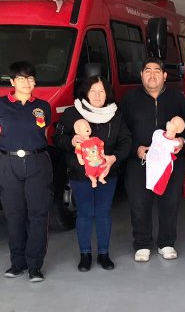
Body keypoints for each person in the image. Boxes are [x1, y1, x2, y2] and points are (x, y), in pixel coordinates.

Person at [54, 76, 131, 272]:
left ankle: (104, 254)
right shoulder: (72, 113)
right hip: (80, 174)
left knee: (104, 212)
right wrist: (71, 141)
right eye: (93, 91)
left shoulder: (116, 115)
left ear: (107, 94)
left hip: (107, 173)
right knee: (85, 213)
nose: (97, 95)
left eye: (101, 91)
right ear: (85, 93)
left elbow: (126, 142)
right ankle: (85, 254)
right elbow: (57, 138)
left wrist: (113, 159)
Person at [121, 58, 185, 262]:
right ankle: (142, 244)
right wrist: (136, 148)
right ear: (141, 75)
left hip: (170, 161)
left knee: (170, 202)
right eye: (148, 71)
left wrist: (182, 140)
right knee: (139, 203)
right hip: (140, 160)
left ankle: (166, 243)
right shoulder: (129, 99)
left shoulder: (177, 98)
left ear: (165, 76)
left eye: (157, 71)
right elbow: (122, 130)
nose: (152, 75)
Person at [0, 61, 53, 282]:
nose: (27, 82)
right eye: (22, 78)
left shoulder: (43, 107)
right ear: (12, 82)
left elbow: (44, 133)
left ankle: (35, 265)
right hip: (10, 163)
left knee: (38, 214)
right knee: (14, 214)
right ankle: (17, 263)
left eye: (31, 78)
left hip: (37, 162)